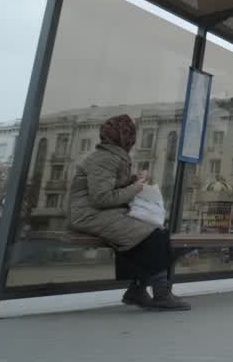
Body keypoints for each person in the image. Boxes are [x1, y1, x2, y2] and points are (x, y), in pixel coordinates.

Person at [69, 114, 190, 310]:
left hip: (103, 212)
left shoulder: (112, 156)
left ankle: (137, 291)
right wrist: (135, 188)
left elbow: (110, 186)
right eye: (130, 135)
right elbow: (101, 198)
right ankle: (161, 294)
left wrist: (133, 180)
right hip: (89, 215)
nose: (132, 140)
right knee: (153, 236)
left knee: (157, 234)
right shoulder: (105, 158)